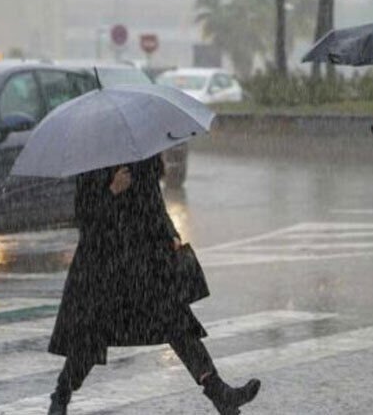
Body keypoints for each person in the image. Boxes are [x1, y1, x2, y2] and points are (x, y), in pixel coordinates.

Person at [46, 155, 260, 415]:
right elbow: (85, 220)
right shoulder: (94, 160)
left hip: (145, 265)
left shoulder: (142, 157)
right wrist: (112, 191)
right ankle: (61, 397)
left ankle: (219, 393)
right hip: (104, 269)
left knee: (178, 324)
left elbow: (155, 204)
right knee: (90, 337)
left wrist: (171, 233)